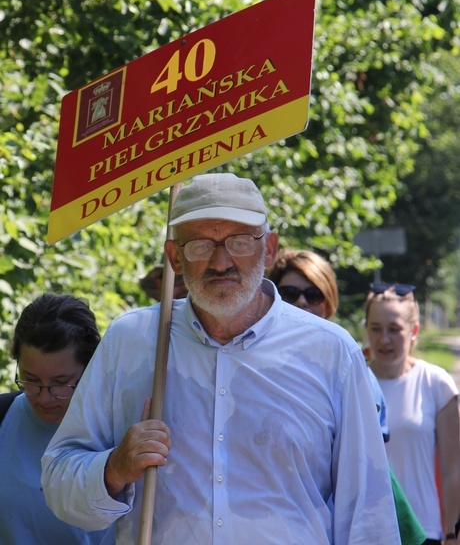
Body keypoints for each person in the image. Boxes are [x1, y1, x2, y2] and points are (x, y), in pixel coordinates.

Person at [42, 172, 401, 544]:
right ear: (174, 258)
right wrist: (114, 468)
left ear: (270, 248)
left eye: (240, 242)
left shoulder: (331, 352)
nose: (220, 262)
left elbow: (367, 513)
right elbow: (57, 482)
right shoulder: (132, 342)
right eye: (199, 245)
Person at [269, 249, 426, 545]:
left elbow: (365, 474)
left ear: (328, 302)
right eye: (289, 293)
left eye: (313, 294)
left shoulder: (349, 368)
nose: (301, 301)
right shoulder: (252, 365)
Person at [0, 293, 113, 544]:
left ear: (91, 368)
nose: (44, 398)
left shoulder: (118, 429)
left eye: (60, 383)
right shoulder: (3, 417)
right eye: (31, 380)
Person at [365, 282, 460, 545]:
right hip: (365, 533)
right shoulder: (352, 381)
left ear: (414, 331)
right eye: (376, 329)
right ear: (366, 329)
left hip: (423, 532)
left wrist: (453, 533)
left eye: (395, 330)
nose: (384, 339)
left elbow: (454, 470)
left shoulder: (435, 383)